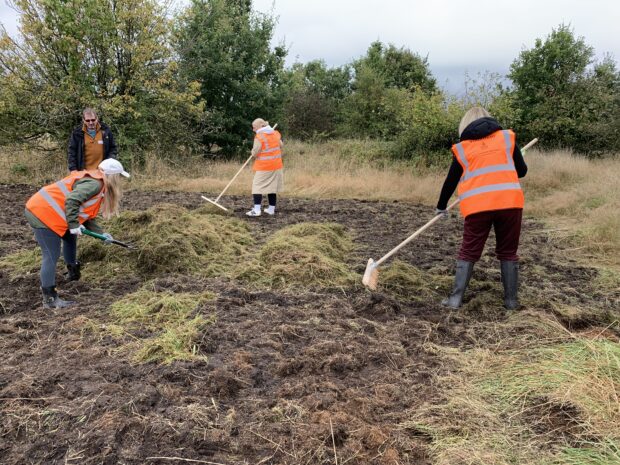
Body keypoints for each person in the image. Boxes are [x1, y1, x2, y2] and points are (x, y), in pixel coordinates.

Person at [436, 107, 528, 310]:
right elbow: (522, 171)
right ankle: (511, 302)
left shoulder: (463, 148)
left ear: (465, 125)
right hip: (509, 204)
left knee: (469, 251)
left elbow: (450, 181)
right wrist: (516, 157)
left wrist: (441, 207)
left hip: (478, 207)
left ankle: (455, 300)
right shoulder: (507, 139)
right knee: (508, 251)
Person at [24, 158, 130, 308]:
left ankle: (73, 273)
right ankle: (50, 299)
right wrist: (73, 224)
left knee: (70, 236)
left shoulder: (98, 183)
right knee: (51, 255)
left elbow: (86, 216)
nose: (120, 181)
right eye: (119, 177)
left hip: (52, 211)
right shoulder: (95, 184)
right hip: (41, 213)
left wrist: (102, 234)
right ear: (112, 176)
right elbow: (72, 200)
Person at [246, 118, 284, 217]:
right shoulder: (275, 133)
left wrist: (252, 152)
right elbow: (281, 145)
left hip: (265, 166)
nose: (253, 130)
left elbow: (255, 153)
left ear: (261, 126)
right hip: (276, 165)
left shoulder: (259, 137)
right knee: (272, 187)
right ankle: (271, 209)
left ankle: (257, 210)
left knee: (257, 186)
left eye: (254, 127)